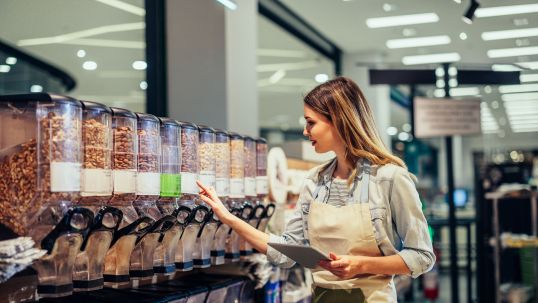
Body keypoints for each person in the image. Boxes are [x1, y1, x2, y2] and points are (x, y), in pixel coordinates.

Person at [197, 76, 435, 302]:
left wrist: (362, 265)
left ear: (339, 121)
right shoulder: (315, 181)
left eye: (311, 122)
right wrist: (228, 219)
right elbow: (285, 252)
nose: (305, 131)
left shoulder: (390, 178)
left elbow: (422, 256)